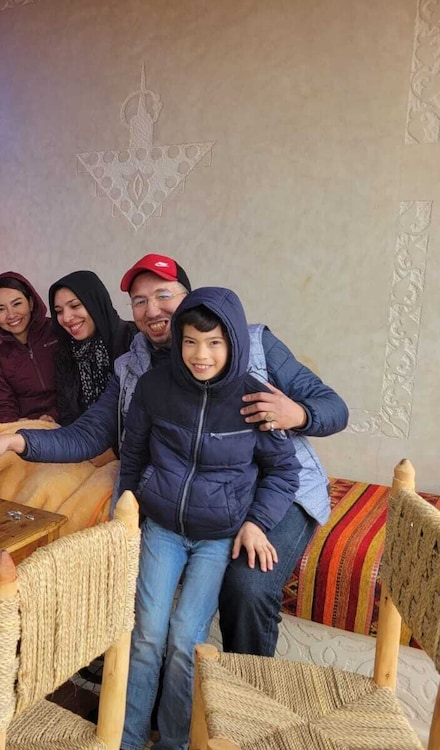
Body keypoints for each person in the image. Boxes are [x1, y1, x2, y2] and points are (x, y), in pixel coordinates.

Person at [0, 253, 348, 659]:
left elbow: (334, 407)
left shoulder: (253, 343)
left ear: (189, 297)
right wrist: (16, 441)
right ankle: (146, 677)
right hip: (197, 494)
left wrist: (298, 413)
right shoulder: (134, 367)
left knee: (247, 586)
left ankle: (239, 690)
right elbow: (91, 433)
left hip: (278, 488)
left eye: (164, 296)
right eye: (140, 301)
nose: (152, 310)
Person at [118, 287, 300, 750]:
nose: (201, 355)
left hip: (218, 537)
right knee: (147, 634)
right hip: (162, 528)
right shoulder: (154, 388)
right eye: (191, 342)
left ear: (233, 341)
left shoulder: (255, 398)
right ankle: (127, 739)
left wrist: (257, 522)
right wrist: (126, 512)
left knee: (185, 639)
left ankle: (175, 742)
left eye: (214, 342)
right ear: (179, 341)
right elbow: (133, 455)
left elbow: (284, 472)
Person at [49, 270, 136, 425]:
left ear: (96, 302)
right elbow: (67, 413)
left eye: (75, 305)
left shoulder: (133, 340)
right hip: (84, 435)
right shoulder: (65, 352)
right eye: (59, 311)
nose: (66, 318)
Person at [0, 271, 58, 423]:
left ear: (30, 303)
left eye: (17, 304)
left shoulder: (57, 332)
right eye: (0, 309)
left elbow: (76, 386)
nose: (11, 315)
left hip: (69, 420)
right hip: (26, 427)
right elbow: (2, 405)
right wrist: (14, 423)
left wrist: (54, 415)